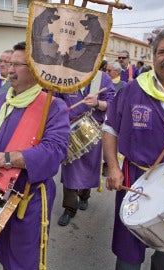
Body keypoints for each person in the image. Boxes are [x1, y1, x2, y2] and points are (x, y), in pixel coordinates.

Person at [102, 24, 164, 270]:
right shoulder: (132, 89)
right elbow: (110, 129)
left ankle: (162, 260)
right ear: (153, 56)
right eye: (162, 52)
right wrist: (113, 168)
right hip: (137, 179)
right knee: (128, 255)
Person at [0, 41, 70, 269]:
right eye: (8, 64)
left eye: (17, 65)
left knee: (25, 258)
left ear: (36, 70)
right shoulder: (0, 101)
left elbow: (54, 151)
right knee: (0, 246)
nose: (10, 70)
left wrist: (3, 159)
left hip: (29, 196)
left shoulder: (52, 107)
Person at [57, 69, 115, 226]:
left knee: (90, 166)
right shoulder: (64, 77)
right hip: (68, 128)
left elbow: (112, 104)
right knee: (70, 168)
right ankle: (69, 208)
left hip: (93, 128)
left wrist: (98, 103)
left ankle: (84, 195)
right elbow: (54, 99)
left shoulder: (102, 78)